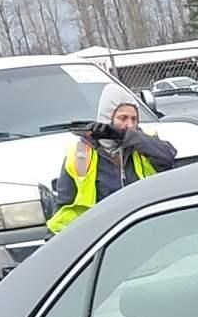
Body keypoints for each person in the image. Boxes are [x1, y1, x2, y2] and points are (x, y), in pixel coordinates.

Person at [46, 83, 177, 234]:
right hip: (103, 234)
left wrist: (127, 136)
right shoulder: (82, 153)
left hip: (147, 228)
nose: (130, 125)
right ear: (107, 118)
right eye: (123, 118)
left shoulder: (144, 143)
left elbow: (167, 157)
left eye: (134, 119)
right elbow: (65, 203)